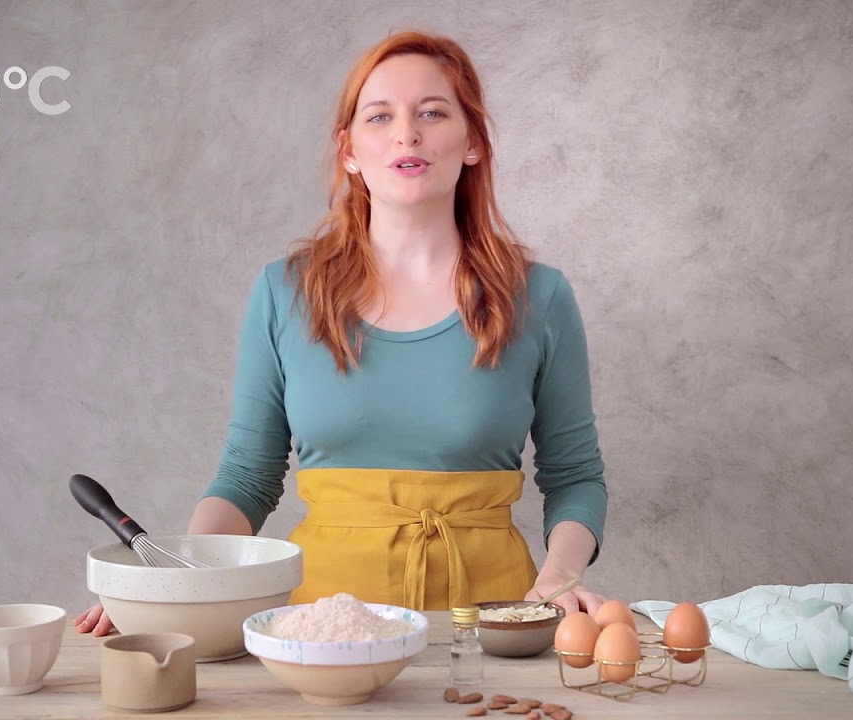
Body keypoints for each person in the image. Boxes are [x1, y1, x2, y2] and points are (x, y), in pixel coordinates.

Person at [77, 30, 608, 636]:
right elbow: (248, 475)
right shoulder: (284, 292)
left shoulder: (540, 297)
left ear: (473, 142)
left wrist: (559, 579)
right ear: (349, 149)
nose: (407, 133)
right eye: (379, 116)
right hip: (318, 629)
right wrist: (178, 584)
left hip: (492, 628)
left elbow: (574, 478)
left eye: (433, 113)